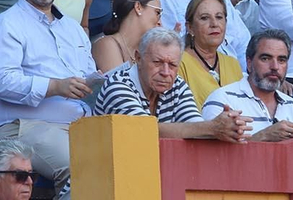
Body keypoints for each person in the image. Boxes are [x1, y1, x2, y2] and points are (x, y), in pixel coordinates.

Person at [94, 28, 249, 141]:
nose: (166, 72)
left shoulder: (177, 85)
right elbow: (145, 131)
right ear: (138, 58)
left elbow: (194, 125)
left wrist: (230, 126)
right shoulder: (118, 86)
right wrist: (212, 128)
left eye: (173, 65)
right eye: (157, 62)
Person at [202, 30, 293, 140]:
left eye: (281, 60)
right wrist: (263, 136)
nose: (275, 66)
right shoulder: (222, 99)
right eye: (265, 58)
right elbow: (210, 155)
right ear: (249, 63)